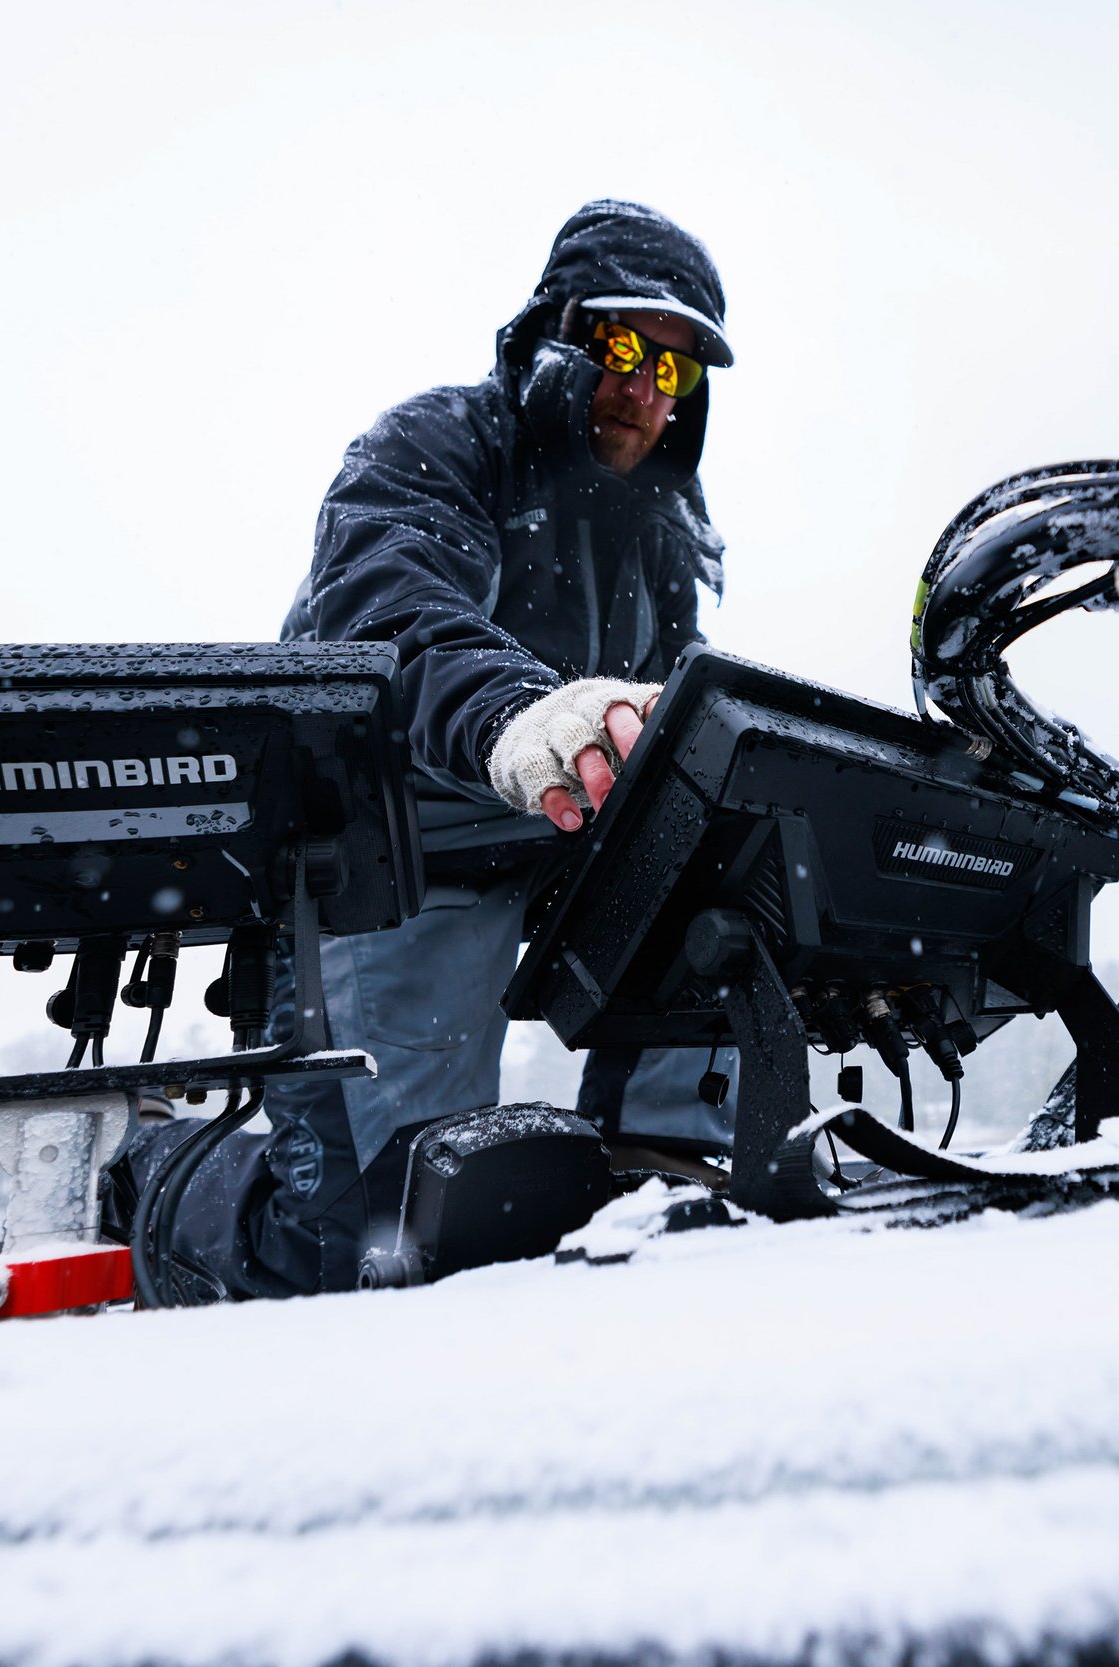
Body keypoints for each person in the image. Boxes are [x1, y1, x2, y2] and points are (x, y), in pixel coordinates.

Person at [105, 200, 738, 1297]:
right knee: (384, 1229)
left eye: (676, 370)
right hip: (380, 859)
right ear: (556, 336)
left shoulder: (664, 530)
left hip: (558, 852)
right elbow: (392, 616)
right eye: (626, 349)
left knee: (720, 909)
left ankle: (660, 1201)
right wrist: (516, 715)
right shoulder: (432, 450)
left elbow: (671, 708)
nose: (647, 390)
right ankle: (154, 1176)